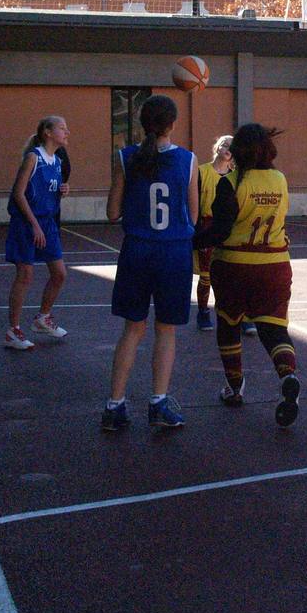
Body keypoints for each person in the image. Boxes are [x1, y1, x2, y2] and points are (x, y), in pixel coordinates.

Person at [193, 123, 301, 427]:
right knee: (274, 330)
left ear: (238, 150)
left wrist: (189, 240)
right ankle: (288, 375)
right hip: (276, 265)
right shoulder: (280, 180)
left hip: (235, 265)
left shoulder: (231, 183)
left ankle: (235, 387)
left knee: (228, 325)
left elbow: (220, 230)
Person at [102, 95, 198, 431]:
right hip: (173, 252)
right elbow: (193, 216)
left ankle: (114, 406)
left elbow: (112, 213)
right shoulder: (187, 160)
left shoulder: (125, 158)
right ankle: (158, 402)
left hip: (138, 250)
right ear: (172, 124)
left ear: (143, 123)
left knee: (132, 329)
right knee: (166, 330)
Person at [4, 116, 71, 350]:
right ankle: (13, 331)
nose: (67, 132)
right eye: (62, 128)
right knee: (25, 275)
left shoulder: (58, 162)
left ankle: (43, 318)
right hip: (27, 223)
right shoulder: (33, 157)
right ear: (47, 132)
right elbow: (18, 194)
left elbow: (47, 192)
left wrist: (63, 190)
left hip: (48, 222)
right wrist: (33, 224)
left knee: (60, 273)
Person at [194, 134, 233, 331]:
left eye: (232, 145)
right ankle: (203, 312)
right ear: (217, 147)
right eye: (225, 144)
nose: (228, 147)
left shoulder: (236, 175)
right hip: (207, 226)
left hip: (229, 228)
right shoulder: (202, 172)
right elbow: (192, 202)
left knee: (232, 274)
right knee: (206, 276)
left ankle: (237, 315)